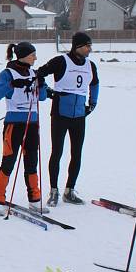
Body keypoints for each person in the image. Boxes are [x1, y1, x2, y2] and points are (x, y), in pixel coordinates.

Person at [36, 32, 98, 206]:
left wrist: (93, 103)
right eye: (87, 46)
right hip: (60, 114)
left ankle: (69, 190)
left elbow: (95, 84)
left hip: (79, 115)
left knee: (76, 153)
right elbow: (39, 73)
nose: (90, 49)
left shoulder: (90, 65)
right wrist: (47, 91)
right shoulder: (61, 61)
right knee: (57, 152)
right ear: (77, 46)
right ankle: (53, 190)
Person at [0, 42, 48, 216]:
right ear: (23, 55)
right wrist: (12, 85)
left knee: (32, 161)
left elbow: (43, 97)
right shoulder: (8, 73)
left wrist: (42, 84)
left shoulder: (34, 73)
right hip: (14, 124)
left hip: (32, 123)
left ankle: (34, 199)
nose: (35, 58)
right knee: (9, 160)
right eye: (33, 55)